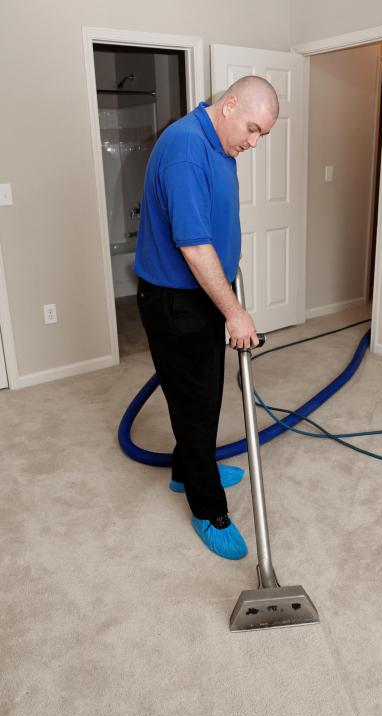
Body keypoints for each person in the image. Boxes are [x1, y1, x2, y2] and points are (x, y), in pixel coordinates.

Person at [134, 76, 279, 561]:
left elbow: (215, 225)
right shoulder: (185, 149)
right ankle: (208, 507)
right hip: (176, 302)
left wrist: (231, 275)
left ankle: (184, 470)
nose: (254, 142)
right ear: (231, 104)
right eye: (254, 129)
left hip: (203, 296)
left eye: (263, 135)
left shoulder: (220, 147)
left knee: (201, 397)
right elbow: (193, 246)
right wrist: (236, 313)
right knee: (196, 407)